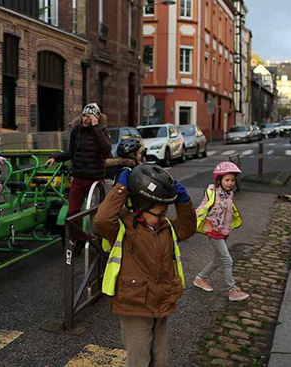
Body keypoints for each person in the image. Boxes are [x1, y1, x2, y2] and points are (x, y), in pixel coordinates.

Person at [94, 165, 196, 367]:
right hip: (135, 305)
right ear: (140, 209)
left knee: (158, 359)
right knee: (139, 360)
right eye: (159, 213)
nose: (164, 217)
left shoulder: (166, 227)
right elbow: (102, 219)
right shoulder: (123, 229)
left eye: (166, 211)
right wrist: (121, 189)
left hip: (162, 301)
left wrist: (184, 204)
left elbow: (187, 228)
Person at [46, 103, 112, 255]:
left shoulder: (101, 131)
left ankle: (99, 240)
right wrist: (55, 158)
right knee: (72, 212)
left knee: (96, 213)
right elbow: (71, 153)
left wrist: (96, 128)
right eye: (84, 115)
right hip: (79, 177)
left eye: (89, 116)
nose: (85, 119)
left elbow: (107, 150)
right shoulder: (77, 131)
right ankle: (80, 239)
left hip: (95, 178)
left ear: (95, 117)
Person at [193, 161, 249, 302]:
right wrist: (191, 218)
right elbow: (202, 207)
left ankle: (200, 278)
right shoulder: (212, 193)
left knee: (218, 259)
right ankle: (231, 289)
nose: (230, 183)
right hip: (214, 230)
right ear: (219, 180)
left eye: (232, 180)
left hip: (224, 230)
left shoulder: (229, 194)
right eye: (227, 180)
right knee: (227, 260)